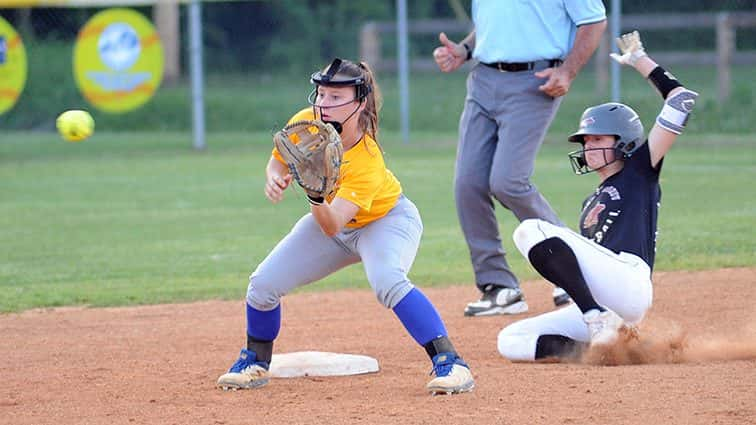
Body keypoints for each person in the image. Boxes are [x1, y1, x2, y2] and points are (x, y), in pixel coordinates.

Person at [216, 58, 474, 395]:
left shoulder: (367, 159)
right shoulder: (306, 121)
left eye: (336, 97)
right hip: (333, 221)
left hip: (385, 221)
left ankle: (451, 364)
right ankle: (255, 361)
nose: (324, 104)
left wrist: (313, 194)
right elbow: (278, 160)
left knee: (388, 281)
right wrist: (275, 178)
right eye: (321, 94)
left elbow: (331, 223)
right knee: (263, 284)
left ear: (360, 102)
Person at [496, 31, 699, 361]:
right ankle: (614, 350)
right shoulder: (590, 201)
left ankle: (595, 319)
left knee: (529, 229)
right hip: (609, 302)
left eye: (597, 139)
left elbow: (681, 100)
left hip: (629, 282)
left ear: (624, 141)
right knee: (511, 339)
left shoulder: (640, 171)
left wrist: (640, 61)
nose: (588, 147)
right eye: (585, 142)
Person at [432, 0, 607, 316]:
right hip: (483, 80)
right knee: (468, 184)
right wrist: (465, 49)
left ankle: (574, 265)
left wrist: (567, 71)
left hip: (535, 81)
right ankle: (498, 286)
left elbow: (594, 21)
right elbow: (499, 25)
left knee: (508, 182)